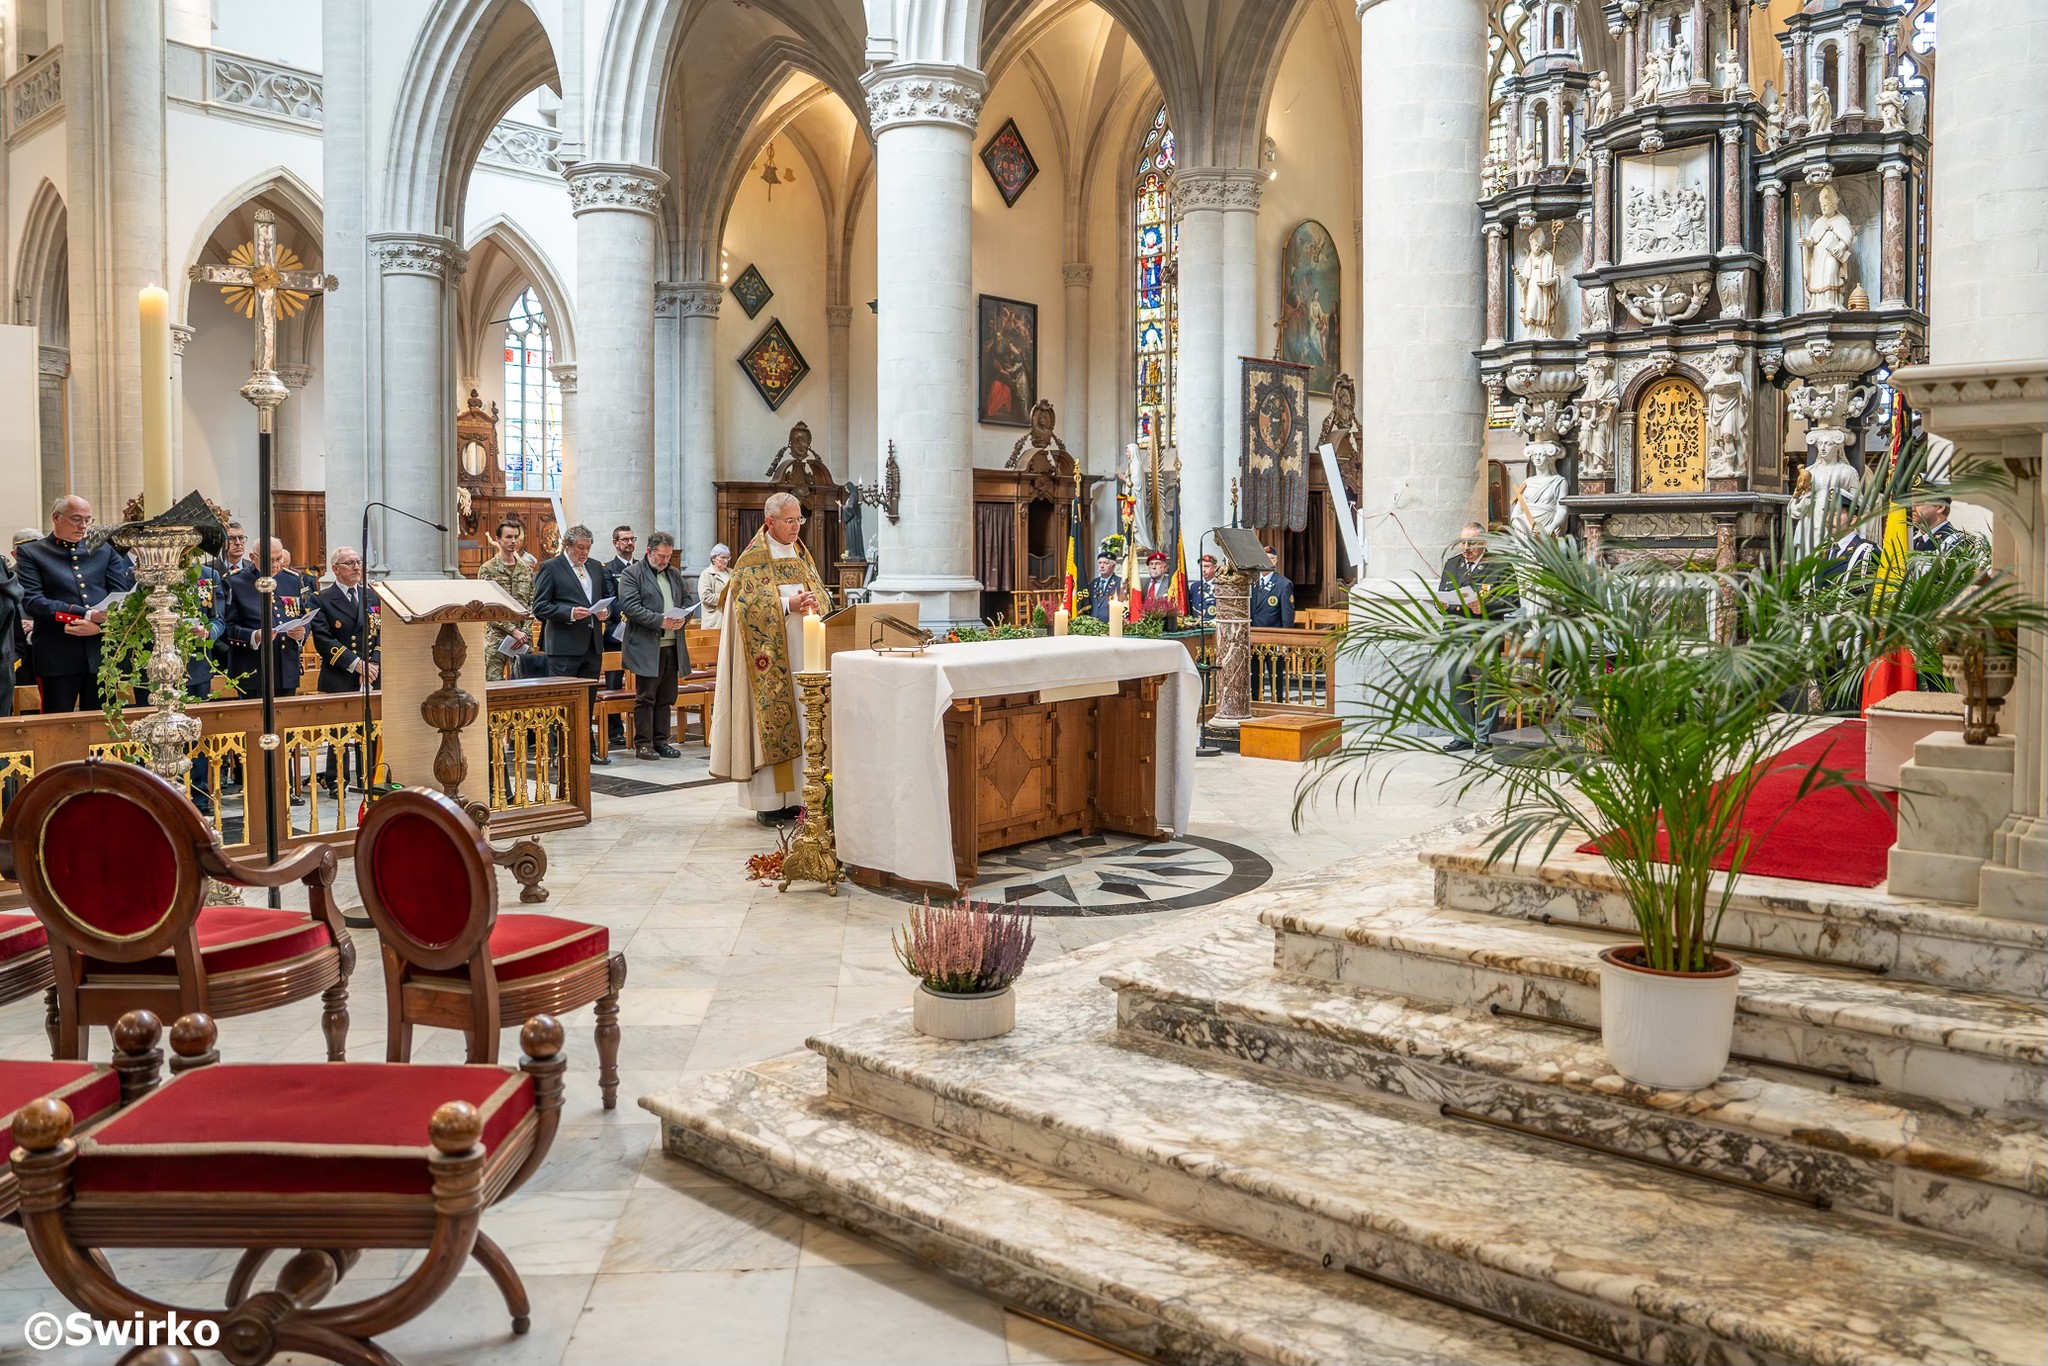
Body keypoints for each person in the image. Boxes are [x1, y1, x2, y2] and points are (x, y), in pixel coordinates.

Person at [709, 492, 832, 824]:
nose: (796, 527)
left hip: (804, 656)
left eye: (799, 520)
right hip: (767, 661)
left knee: (806, 721)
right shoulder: (752, 559)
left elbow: (820, 592)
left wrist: (815, 601)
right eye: (790, 521)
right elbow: (741, 606)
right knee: (776, 720)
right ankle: (770, 802)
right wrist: (786, 605)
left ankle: (798, 798)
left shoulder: (800, 553)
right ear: (769, 522)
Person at [15, 495, 135, 713]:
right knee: (58, 728)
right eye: (76, 519)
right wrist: (86, 614)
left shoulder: (103, 551)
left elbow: (122, 598)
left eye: (88, 520)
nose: (83, 526)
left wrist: (99, 627)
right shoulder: (33, 552)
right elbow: (33, 601)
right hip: (58, 657)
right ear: (56, 518)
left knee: (100, 728)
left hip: (102, 657)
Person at [532, 524, 616, 765]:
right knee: (562, 701)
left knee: (586, 701)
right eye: (580, 548)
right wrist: (569, 612)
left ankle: (585, 752)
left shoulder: (595, 568)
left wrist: (604, 612)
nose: (584, 553)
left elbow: (602, 601)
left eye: (588, 548)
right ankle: (560, 754)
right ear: (567, 546)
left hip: (592, 645)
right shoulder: (551, 567)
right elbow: (540, 607)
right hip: (563, 647)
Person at [1437, 523, 1518, 751]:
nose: (1466, 547)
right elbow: (1444, 593)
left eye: (1471, 543)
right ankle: (1462, 735)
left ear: (1484, 542)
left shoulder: (1500, 565)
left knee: (1486, 687)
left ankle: (1484, 738)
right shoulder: (1453, 564)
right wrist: (1442, 604)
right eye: (1463, 542)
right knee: (1458, 687)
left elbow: (1513, 601)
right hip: (1456, 633)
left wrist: (1483, 606)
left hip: (1485, 635)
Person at [617, 531, 694, 761]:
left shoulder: (674, 574)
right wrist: (661, 620)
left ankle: (662, 741)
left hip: (672, 643)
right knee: (646, 696)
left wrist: (683, 618)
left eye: (668, 556)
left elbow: (687, 600)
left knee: (667, 696)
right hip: (646, 645)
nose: (665, 561)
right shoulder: (632, 574)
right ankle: (643, 743)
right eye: (661, 556)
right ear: (649, 551)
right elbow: (630, 607)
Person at [310, 547, 379, 794]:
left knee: (369, 731)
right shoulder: (322, 599)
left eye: (359, 562)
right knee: (338, 734)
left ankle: (368, 779)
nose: (357, 567)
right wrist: (355, 664)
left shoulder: (371, 595)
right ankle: (336, 781)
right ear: (336, 569)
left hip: (370, 674)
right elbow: (324, 639)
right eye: (350, 563)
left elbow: (380, 632)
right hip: (340, 673)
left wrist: (373, 664)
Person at [223, 538, 313, 700]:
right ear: (253, 557)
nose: (275, 565)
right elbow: (227, 627)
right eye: (269, 560)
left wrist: (302, 632)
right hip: (252, 669)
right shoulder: (235, 581)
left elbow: (302, 615)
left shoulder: (292, 579)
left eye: (279, 559)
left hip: (286, 668)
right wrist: (254, 636)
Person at [477, 520, 537, 681]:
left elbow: (532, 603)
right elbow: (487, 607)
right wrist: (512, 630)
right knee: (492, 683)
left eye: (516, 537)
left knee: (525, 684)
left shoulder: (525, 569)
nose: (513, 541)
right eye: (508, 537)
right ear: (498, 539)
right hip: (497, 636)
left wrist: (523, 631)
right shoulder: (487, 569)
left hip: (523, 637)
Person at [598, 525, 637, 750]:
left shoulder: (642, 567)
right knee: (613, 684)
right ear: (615, 543)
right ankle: (615, 731)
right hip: (616, 633)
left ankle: (640, 728)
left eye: (632, 539)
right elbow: (610, 598)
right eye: (624, 540)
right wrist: (631, 613)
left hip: (639, 634)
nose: (629, 543)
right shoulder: (608, 569)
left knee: (641, 681)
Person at [1250, 546, 1295, 628]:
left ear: (1275, 561)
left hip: (1271, 636)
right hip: (1252, 634)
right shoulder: (1251, 582)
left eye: (1269, 559)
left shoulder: (1283, 584)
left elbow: (1287, 620)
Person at [698, 543, 734, 629]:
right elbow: (705, 597)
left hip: (731, 618)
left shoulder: (732, 573)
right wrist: (726, 597)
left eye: (728, 557)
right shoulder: (706, 574)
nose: (726, 561)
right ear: (713, 558)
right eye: (723, 557)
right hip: (715, 621)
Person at [1135, 551, 1176, 617]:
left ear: (1165, 568)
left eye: (1157, 564)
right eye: (1151, 564)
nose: (1153, 567)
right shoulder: (1140, 583)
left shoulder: (1171, 583)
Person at [1186, 553, 1219, 623]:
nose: (1203, 570)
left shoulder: (1221, 586)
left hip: (1214, 627)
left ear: (1215, 568)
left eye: (1207, 566)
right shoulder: (1194, 586)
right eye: (1201, 567)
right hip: (1197, 626)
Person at [1088, 553, 1120, 623]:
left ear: (1113, 566)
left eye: (1105, 563)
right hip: (1092, 624)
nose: (1101, 566)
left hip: (1110, 624)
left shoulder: (1119, 582)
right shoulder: (1093, 583)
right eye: (1100, 563)